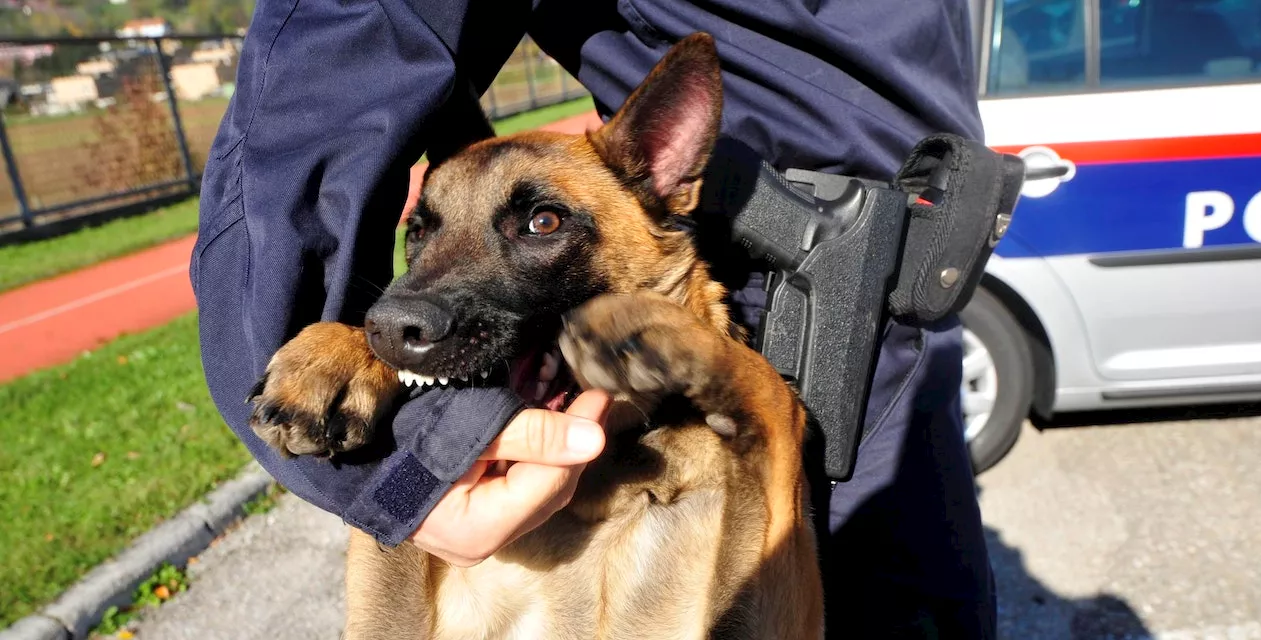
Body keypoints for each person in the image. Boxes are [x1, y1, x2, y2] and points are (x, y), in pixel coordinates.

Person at [191, 0, 996, 636]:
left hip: (885, 350)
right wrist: (354, 385)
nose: (426, 276)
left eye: (541, 223)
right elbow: (364, 26)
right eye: (425, 228)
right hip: (774, 300)